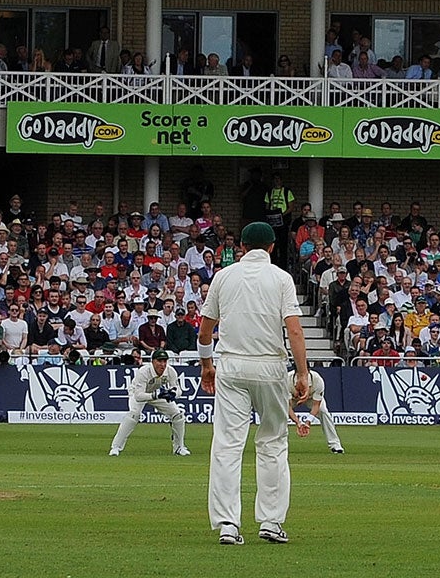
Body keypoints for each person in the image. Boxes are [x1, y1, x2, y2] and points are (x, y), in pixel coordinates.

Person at [200, 220, 309, 545]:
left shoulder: (223, 276)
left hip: (231, 366)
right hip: (270, 368)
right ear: (272, 247)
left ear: (242, 247)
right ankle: (271, 522)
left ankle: (228, 526)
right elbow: (294, 330)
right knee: (273, 442)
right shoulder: (281, 278)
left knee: (227, 445)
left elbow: (205, 331)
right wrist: (302, 373)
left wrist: (207, 365)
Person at [110, 347, 190, 457]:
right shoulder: (144, 371)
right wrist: (157, 395)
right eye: (159, 361)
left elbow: (178, 389)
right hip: (137, 392)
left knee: (178, 415)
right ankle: (116, 447)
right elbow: (138, 396)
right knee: (133, 415)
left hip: (156, 393)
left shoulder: (170, 371)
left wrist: (173, 394)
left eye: (164, 361)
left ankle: (179, 447)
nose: (162, 364)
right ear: (153, 361)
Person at [287, 364, 345, 453]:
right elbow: (287, 407)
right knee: (279, 412)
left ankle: (335, 445)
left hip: (311, 398)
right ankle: (277, 445)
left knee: (323, 412)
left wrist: (307, 423)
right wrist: (298, 423)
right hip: (293, 399)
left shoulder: (317, 380)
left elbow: (316, 405)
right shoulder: (287, 380)